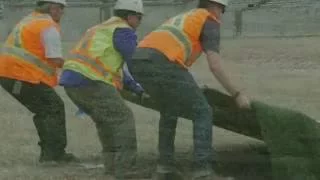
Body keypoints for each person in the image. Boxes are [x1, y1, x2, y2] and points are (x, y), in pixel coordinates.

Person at [130, 0, 251, 179]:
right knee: (202, 112)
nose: (221, 16)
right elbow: (215, 66)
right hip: (163, 62)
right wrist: (237, 94)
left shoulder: (186, 16)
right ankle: (202, 171)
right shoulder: (209, 20)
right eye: (222, 11)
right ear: (216, 7)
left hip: (138, 60)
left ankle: (165, 167)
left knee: (169, 109)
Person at [59, 0, 146, 178]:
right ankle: (126, 170)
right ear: (130, 17)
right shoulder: (124, 30)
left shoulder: (102, 28)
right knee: (123, 118)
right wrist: (151, 83)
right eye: (139, 18)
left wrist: (136, 88)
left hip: (73, 80)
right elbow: (136, 62)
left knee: (106, 121)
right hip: (90, 80)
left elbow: (117, 69)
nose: (139, 23)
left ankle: (112, 168)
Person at [0, 0, 78, 163]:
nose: (62, 13)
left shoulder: (30, 19)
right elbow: (55, 58)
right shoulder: (48, 27)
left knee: (47, 109)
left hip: (9, 73)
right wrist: (76, 67)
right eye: (61, 8)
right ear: (52, 8)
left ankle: (51, 154)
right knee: (52, 108)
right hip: (21, 74)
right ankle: (53, 155)